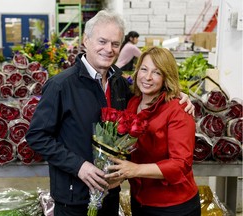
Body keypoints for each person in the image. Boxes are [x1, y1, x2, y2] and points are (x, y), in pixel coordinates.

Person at [26, 10, 194, 216]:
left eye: (115, 44)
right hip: (74, 197)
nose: (109, 49)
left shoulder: (120, 84)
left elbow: (151, 91)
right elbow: (37, 136)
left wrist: (180, 94)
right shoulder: (61, 85)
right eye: (102, 41)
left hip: (110, 194)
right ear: (86, 41)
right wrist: (79, 166)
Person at [105, 47, 201, 216]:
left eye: (157, 72)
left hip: (173, 206)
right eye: (144, 69)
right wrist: (121, 173)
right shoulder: (133, 103)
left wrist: (134, 170)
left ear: (166, 77)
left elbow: (180, 164)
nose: (147, 77)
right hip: (140, 201)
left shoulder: (178, 110)